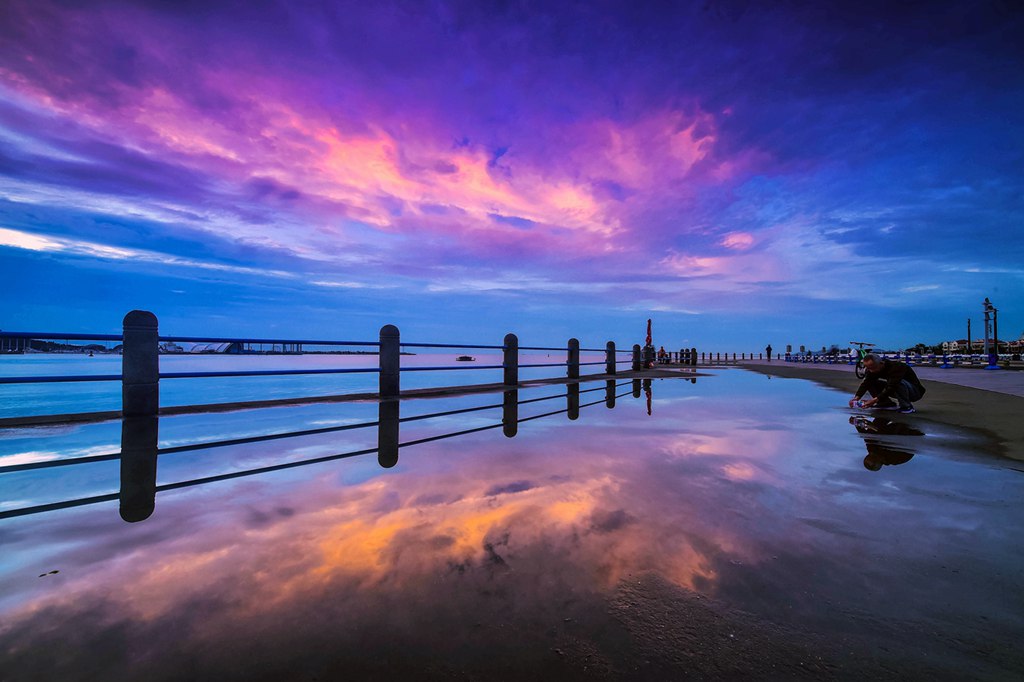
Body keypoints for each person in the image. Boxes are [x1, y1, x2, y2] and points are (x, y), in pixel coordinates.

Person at [848, 353, 926, 414]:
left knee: (897, 382)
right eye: (868, 368)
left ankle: (906, 407)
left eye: (872, 368)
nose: (870, 371)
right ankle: (885, 403)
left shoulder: (897, 367)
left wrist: (874, 400)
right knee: (871, 382)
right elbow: (866, 383)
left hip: (914, 392)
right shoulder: (872, 370)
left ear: (881, 363)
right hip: (897, 389)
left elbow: (892, 386)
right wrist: (856, 398)